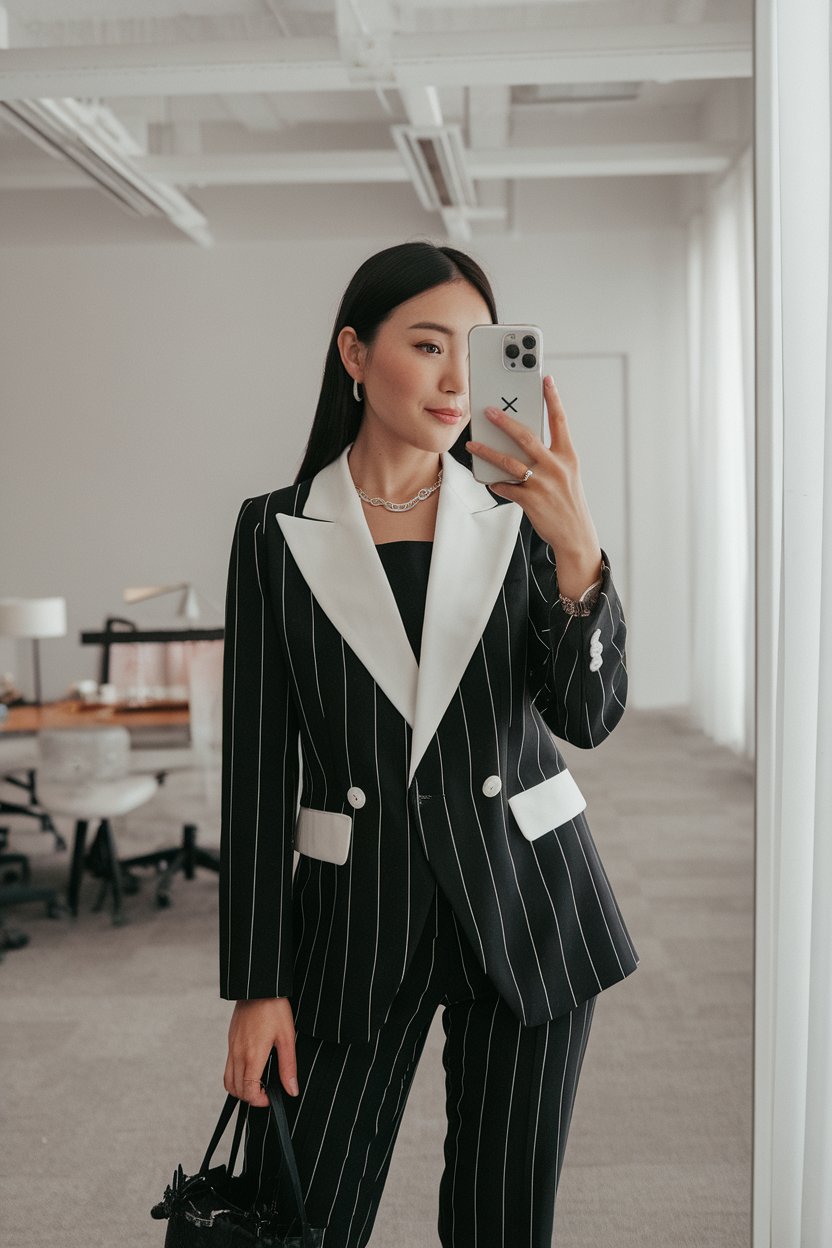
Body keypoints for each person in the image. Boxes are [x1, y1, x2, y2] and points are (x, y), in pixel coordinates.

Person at [219, 240, 639, 1247]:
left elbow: (587, 719)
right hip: (356, 917)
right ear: (354, 355)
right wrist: (255, 985)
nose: (458, 380)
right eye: (426, 344)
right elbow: (256, 772)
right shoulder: (275, 531)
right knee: (299, 1217)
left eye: (475, 347)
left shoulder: (522, 516)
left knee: (501, 1224)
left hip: (526, 900)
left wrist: (578, 550)